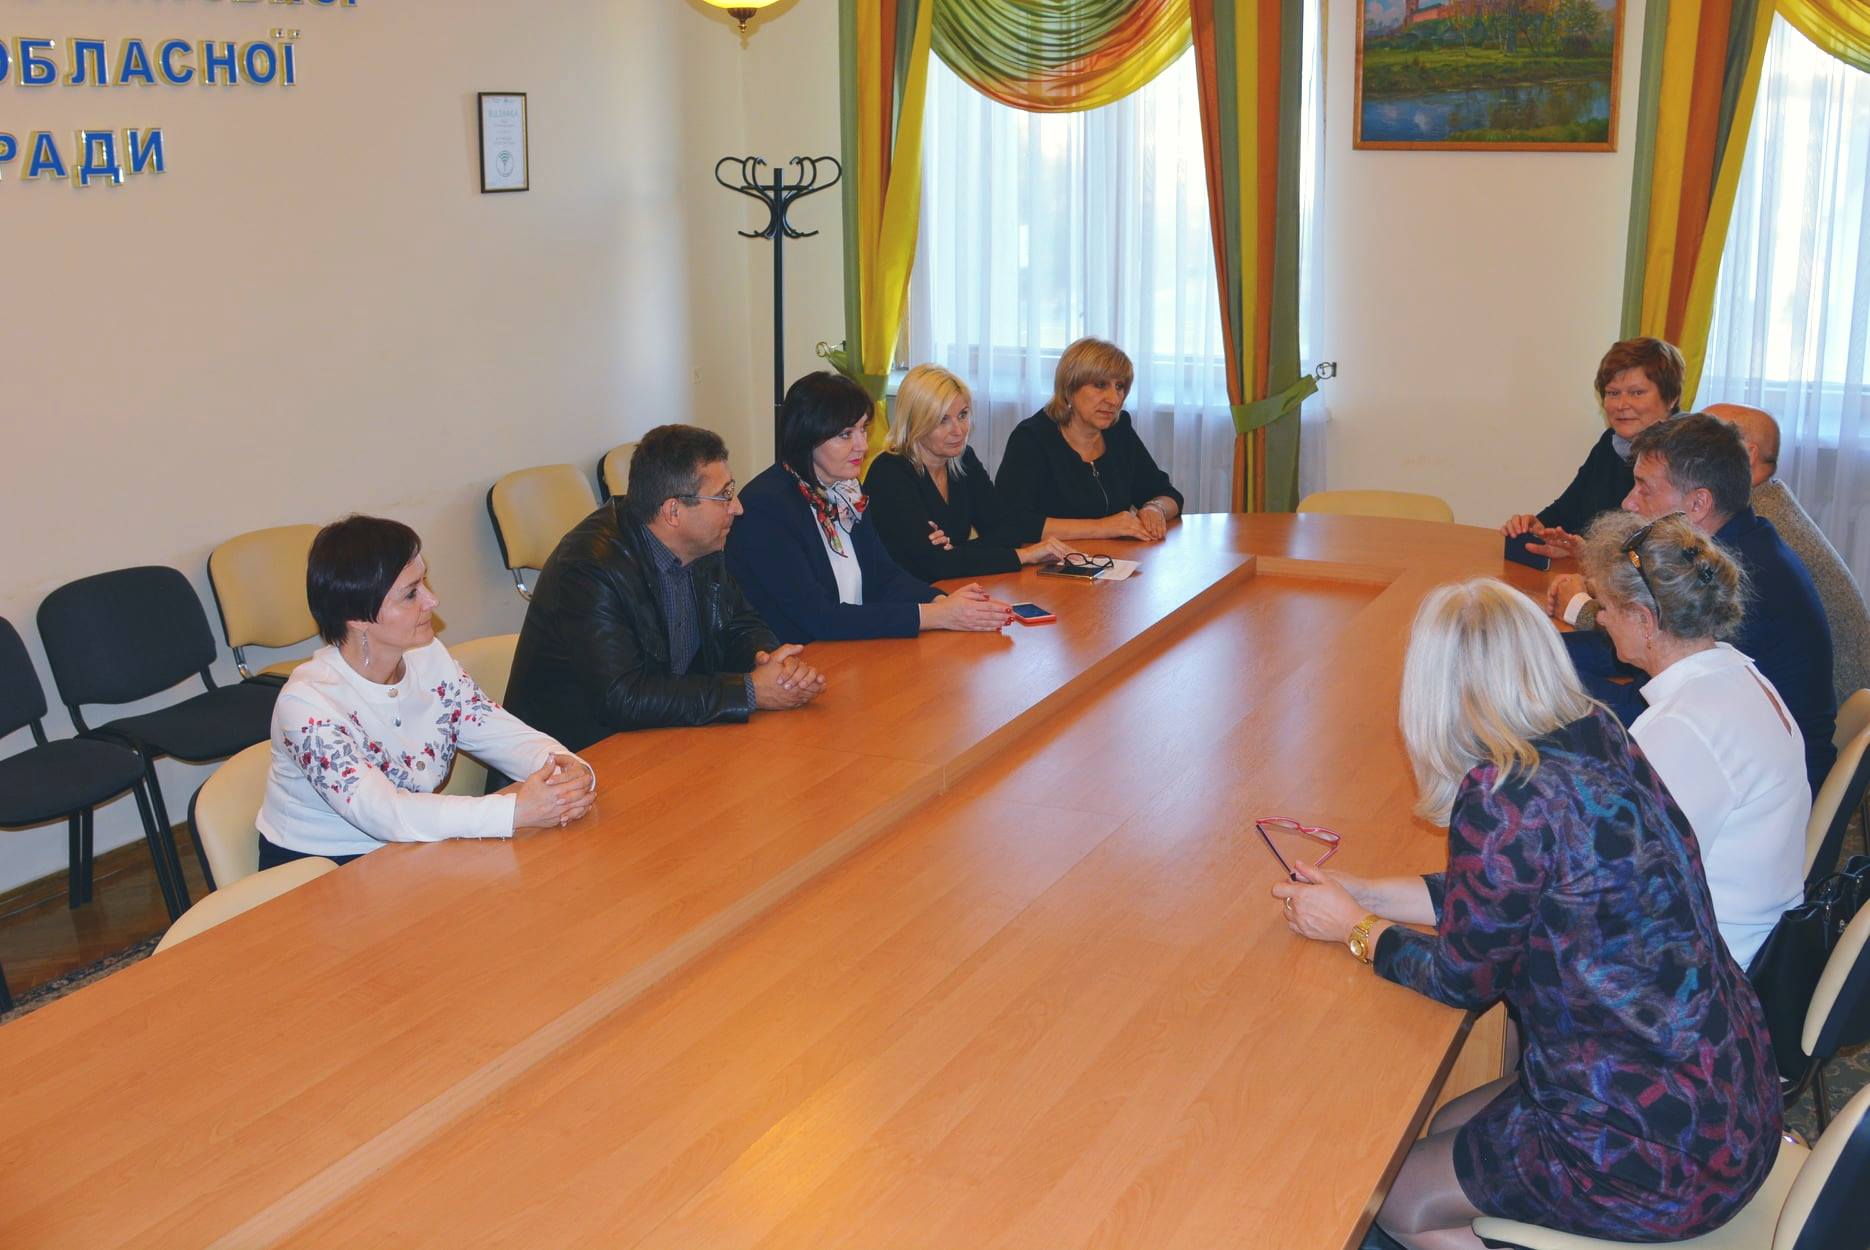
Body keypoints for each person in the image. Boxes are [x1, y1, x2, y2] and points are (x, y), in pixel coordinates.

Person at [1275, 578, 1781, 1250]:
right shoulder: (1596, 730)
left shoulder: (1503, 790)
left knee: (1395, 1200)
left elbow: (1461, 980)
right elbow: (1510, 894)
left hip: (1657, 1152)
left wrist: (1356, 931)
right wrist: (1366, 894)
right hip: (1726, 1095)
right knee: (1447, 1120)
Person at [257, 516, 596, 866]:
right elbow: (384, 814)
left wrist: (564, 768)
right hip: (320, 867)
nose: (432, 600)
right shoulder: (308, 703)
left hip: (410, 847)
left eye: (424, 582)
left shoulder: (428, 656)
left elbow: (499, 732)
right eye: (410, 594)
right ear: (357, 616)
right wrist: (514, 812)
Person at [1545, 412, 1837, 791]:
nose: (1628, 502)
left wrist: (1536, 676)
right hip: (1732, 764)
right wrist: (1537, 646)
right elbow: (1634, 645)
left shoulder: (1732, 582)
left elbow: (1642, 710)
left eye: (1644, 488)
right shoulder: (1728, 548)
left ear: (1698, 504)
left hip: (1762, 788)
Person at [503, 425, 826, 754]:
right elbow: (622, 698)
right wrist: (750, 691)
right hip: (575, 757)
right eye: (724, 496)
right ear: (674, 512)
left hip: (665, 734)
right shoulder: (591, 569)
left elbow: (739, 623)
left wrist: (771, 664)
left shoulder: (702, 543)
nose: (737, 507)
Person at [1577, 511, 1806, 967]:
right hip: (1756, 940)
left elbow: (1614, 882)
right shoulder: (1737, 671)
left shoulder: (1682, 726)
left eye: (1605, 607)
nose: (1600, 618)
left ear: (1644, 619)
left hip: (1708, 967)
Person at [727, 371, 1014, 642]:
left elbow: (884, 576)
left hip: (850, 645)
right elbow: (818, 617)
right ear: (807, 437)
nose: (862, 446)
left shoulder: (847, 489)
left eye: (863, 430)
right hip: (798, 657)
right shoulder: (766, 507)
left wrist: (942, 601)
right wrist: (936, 615)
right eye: (846, 434)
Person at [1714, 401, 1870, 705]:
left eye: (1699, 442)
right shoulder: (1768, 499)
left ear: (1745, 454)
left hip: (1827, 701)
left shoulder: (1750, 523)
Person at [863, 363, 1078, 582]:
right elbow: (929, 566)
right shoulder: (889, 474)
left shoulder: (963, 459)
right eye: (942, 420)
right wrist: (1022, 555)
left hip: (953, 587)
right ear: (915, 423)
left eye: (962, 415)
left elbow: (1008, 532)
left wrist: (954, 554)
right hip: (903, 596)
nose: (959, 430)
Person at [1501, 337, 1684, 558]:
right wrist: (1536, 527)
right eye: (1613, 393)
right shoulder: (1610, 443)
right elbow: (1567, 510)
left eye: (1637, 393)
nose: (1621, 405)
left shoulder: (1684, 456)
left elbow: (1664, 557)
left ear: (1671, 398)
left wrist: (1587, 552)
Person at [993, 338, 1184, 542]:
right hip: (1051, 559)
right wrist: (1103, 527)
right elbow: (1012, 522)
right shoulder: (1031, 438)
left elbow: (1168, 494)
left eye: (1119, 387)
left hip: (1114, 557)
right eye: (1100, 385)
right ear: (1069, 388)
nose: (1114, 399)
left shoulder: (1119, 430)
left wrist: (1155, 508)